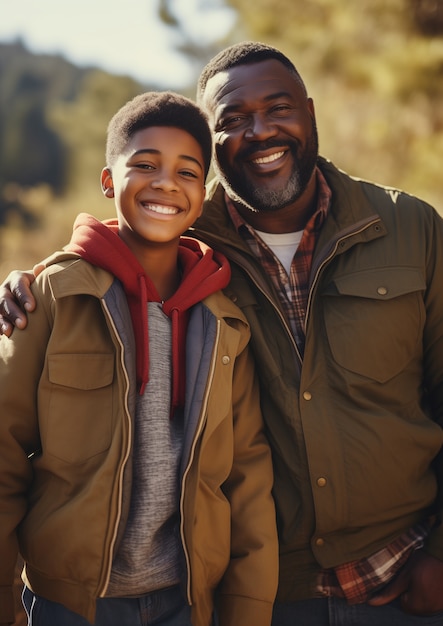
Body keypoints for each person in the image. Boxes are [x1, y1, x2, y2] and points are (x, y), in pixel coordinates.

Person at [1, 41, 443, 626]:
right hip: (267, 593)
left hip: (403, 574)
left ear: (310, 112)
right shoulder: (185, 237)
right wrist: (28, 281)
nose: (259, 131)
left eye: (278, 108)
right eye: (232, 120)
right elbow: (120, 239)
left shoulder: (410, 229)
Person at [0, 90, 279, 626]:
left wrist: (245, 611)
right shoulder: (54, 296)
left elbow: (246, 477)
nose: (165, 183)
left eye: (187, 172)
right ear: (109, 181)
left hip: (187, 600)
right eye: (145, 165)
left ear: (203, 195)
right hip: (70, 604)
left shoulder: (225, 322)